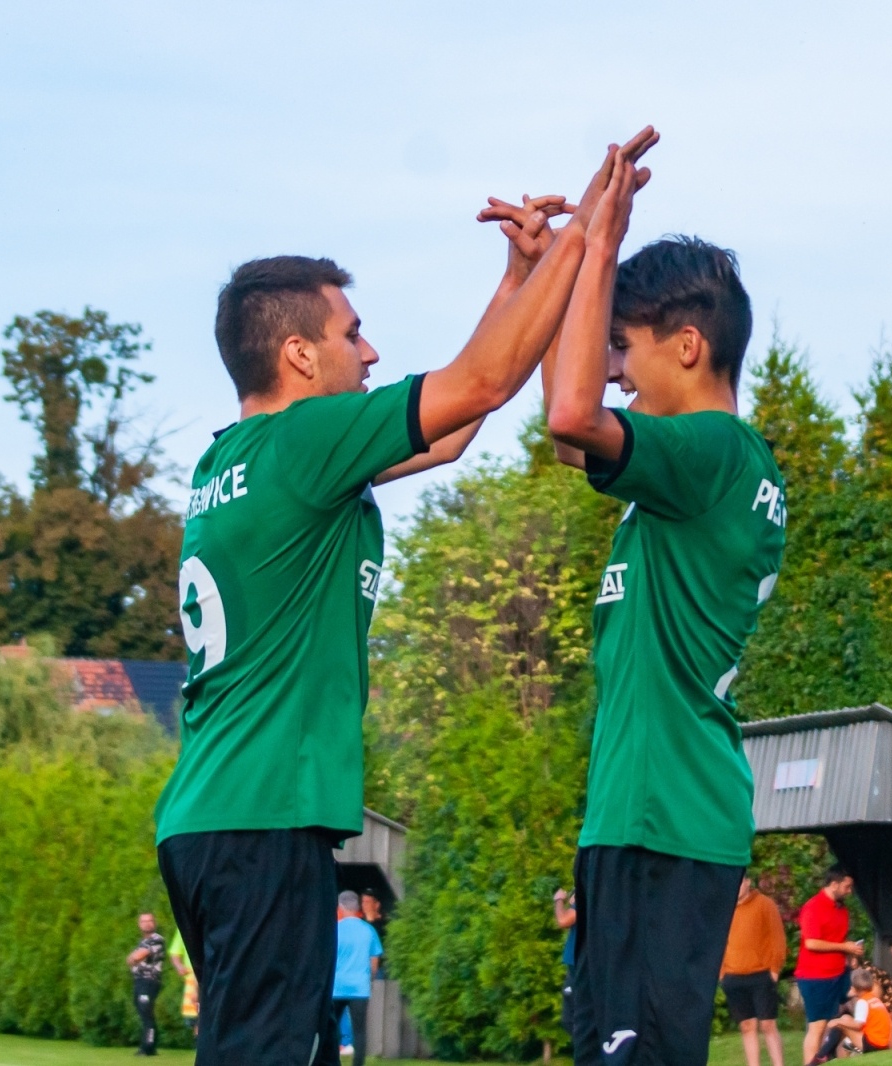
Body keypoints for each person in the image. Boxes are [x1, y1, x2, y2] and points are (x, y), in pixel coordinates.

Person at [153, 129, 657, 1066]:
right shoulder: (307, 443)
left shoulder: (236, 459)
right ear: (300, 356)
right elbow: (483, 381)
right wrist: (589, 235)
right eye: (353, 333)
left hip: (218, 814)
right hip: (261, 816)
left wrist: (518, 278)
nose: (372, 349)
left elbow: (458, 426)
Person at [539, 135, 786, 1065]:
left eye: (626, 350)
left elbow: (568, 416)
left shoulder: (714, 453)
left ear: (688, 345)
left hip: (663, 818)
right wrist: (553, 270)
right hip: (636, 814)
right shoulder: (689, 472)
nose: (612, 371)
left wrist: (598, 244)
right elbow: (572, 434)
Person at [793, 868, 866, 1064]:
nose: (850, 891)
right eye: (846, 886)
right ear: (834, 884)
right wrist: (844, 946)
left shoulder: (842, 910)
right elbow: (812, 943)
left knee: (861, 992)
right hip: (815, 976)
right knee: (817, 1026)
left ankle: (852, 1049)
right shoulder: (813, 907)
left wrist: (850, 952)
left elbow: (836, 940)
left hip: (839, 973)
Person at [720, 876, 788, 1066]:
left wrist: (774, 969)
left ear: (748, 882)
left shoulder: (765, 904)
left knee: (768, 1024)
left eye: (740, 881)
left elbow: (777, 938)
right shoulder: (724, 908)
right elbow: (716, 942)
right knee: (747, 1026)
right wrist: (722, 973)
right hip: (733, 976)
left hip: (761, 974)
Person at [316, 891, 383, 1066]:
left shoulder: (334, 929)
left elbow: (325, 959)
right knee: (359, 1031)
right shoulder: (369, 930)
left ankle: (329, 1060)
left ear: (340, 907)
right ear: (358, 908)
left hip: (336, 987)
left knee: (331, 1028)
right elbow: (374, 963)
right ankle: (357, 1064)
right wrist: (370, 979)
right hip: (359, 988)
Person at [807, 968, 892, 1063]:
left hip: (873, 1045)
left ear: (855, 988)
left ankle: (821, 1056)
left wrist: (837, 1021)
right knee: (846, 1018)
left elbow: (858, 1025)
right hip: (883, 1044)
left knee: (841, 1024)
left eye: (851, 986)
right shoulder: (874, 1000)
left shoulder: (862, 1002)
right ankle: (827, 1053)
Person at [126, 913, 165, 1057]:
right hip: (139, 981)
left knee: (146, 1011)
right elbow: (130, 959)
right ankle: (147, 1045)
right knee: (143, 1012)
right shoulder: (143, 942)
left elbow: (137, 956)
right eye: (143, 921)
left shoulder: (157, 940)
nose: (147, 923)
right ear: (139, 924)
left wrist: (133, 957)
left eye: (150, 921)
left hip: (149, 981)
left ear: (154, 923)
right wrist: (132, 958)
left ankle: (148, 1047)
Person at [554, 888, 579, 1039]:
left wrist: (558, 900)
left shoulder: (587, 898)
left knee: (571, 1019)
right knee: (570, 1020)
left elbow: (563, 920)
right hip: (575, 965)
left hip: (580, 967)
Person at [168, 930, 200, 1039]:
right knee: (195, 1019)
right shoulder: (186, 926)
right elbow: (175, 952)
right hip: (192, 977)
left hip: (211, 975)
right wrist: (179, 966)